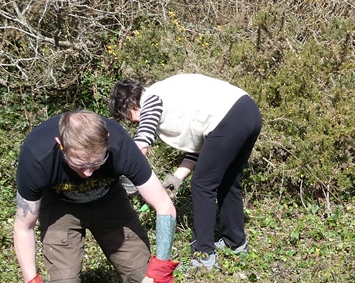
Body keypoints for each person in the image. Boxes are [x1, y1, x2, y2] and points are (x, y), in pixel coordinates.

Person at [13, 109, 179, 283]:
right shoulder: (38, 155)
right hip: (59, 207)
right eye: (80, 164)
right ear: (60, 144)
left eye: (96, 163)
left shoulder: (120, 144)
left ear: (107, 141)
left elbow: (164, 205)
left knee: (143, 276)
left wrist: (161, 269)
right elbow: (23, 227)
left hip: (110, 201)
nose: (88, 173)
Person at [109, 74, 261, 270]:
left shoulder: (151, 99)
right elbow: (203, 150)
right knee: (229, 181)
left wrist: (128, 175)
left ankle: (203, 257)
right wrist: (174, 181)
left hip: (232, 118)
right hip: (247, 111)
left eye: (127, 118)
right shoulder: (166, 94)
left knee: (202, 185)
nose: (131, 123)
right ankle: (236, 242)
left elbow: (143, 141)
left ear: (129, 107)